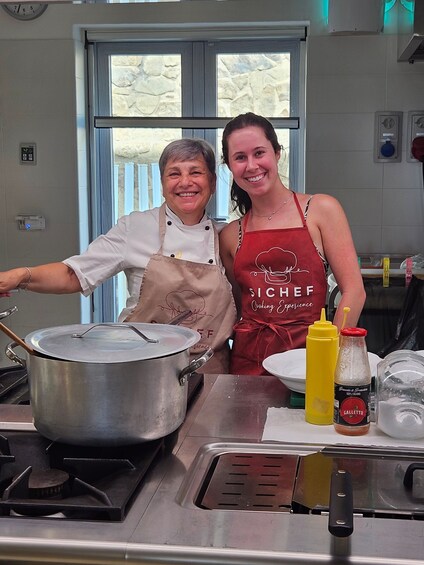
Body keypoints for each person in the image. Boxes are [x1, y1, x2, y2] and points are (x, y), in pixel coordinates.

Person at [0, 138, 237, 373]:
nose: (185, 182)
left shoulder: (227, 237)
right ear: (163, 184)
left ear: (213, 182)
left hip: (209, 371)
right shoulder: (135, 227)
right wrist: (21, 276)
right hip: (141, 369)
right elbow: (74, 274)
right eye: (174, 174)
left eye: (196, 172)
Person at [219, 112, 366, 375]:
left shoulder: (320, 210)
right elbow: (241, 306)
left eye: (259, 153)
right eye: (240, 157)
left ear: (277, 153)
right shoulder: (231, 235)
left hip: (309, 358)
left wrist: (331, 353)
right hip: (249, 363)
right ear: (229, 165)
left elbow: (354, 290)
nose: (251, 165)